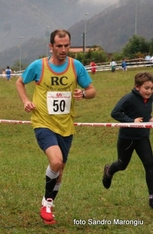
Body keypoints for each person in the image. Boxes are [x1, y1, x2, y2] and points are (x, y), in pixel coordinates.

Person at [16, 29, 96, 224]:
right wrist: (26, 100)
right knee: (56, 161)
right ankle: (47, 201)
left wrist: (83, 95)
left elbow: (92, 90)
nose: (63, 49)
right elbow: (20, 82)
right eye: (59, 46)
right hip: (43, 122)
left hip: (66, 125)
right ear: (51, 46)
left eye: (66, 45)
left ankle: (48, 204)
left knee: (60, 171)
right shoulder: (39, 66)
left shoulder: (76, 66)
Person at [102, 72, 153, 208]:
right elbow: (115, 112)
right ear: (137, 87)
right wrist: (132, 121)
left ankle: (152, 197)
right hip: (127, 138)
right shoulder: (129, 98)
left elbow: (146, 112)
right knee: (122, 165)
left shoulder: (150, 98)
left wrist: (150, 119)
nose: (149, 91)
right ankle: (109, 171)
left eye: (151, 88)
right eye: (146, 88)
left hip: (142, 137)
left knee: (150, 166)